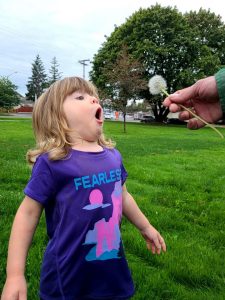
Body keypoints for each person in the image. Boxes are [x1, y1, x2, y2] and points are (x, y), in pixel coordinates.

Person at [1, 77, 166, 300]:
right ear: (56, 116)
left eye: (93, 96)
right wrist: (14, 274)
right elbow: (27, 214)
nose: (93, 99)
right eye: (80, 97)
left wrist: (145, 226)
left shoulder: (113, 157)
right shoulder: (53, 162)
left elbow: (123, 196)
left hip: (111, 270)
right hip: (68, 277)